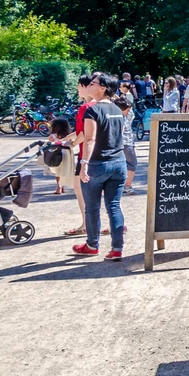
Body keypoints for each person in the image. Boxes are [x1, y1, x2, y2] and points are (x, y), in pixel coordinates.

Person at [71, 72, 128, 261]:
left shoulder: (92, 110)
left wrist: (84, 163)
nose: (89, 86)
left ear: (103, 88)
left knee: (92, 207)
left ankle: (92, 245)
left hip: (97, 164)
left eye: (93, 83)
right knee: (113, 206)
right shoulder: (117, 110)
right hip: (119, 163)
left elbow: (90, 139)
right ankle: (117, 248)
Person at [113, 94, 139, 194]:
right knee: (132, 164)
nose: (128, 112)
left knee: (122, 165)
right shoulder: (121, 119)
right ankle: (127, 185)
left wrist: (118, 98)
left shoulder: (122, 116)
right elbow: (120, 131)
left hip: (124, 144)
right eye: (127, 110)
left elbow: (131, 113)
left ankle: (122, 185)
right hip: (126, 144)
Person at [45, 118, 78, 197]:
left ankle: (59, 187)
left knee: (58, 170)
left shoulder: (52, 136)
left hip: (57, 153)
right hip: (67, 153)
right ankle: (62, 185)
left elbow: (49, 144)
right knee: (64, 170)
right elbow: (72, 144)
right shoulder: (69, 136)